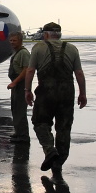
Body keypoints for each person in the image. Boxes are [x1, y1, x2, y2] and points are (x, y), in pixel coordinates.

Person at [23, 22, 86, 174]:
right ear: (60, 34)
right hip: (67, 93)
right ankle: (59, 162)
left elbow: (30, 70)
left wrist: (27, 90)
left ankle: (50, 150)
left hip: (46, 92)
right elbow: (79, 73)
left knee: (40, 122)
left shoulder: (38, 48)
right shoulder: (72, 49)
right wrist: (82, 93)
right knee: (64, 127)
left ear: (45, 34)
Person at [4, 28, 30, 146]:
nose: (12, 42)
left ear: (20, 41)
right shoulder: (17, 53)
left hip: (21, 85)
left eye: (14, 40)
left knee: (20, 110)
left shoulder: (24, 53)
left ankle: (23, 136)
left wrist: (15, 82)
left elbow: (26, 70)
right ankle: (18, 132)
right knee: (15, 109)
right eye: (10, 40)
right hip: (16, 85)